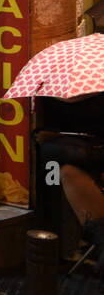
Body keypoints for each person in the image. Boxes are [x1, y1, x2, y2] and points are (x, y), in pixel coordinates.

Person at [36, 92, 104, 272]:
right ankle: (59, 243)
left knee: (54, 162)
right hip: (63, 157)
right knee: (54, 171)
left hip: (91, 152)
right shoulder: (48, 93)